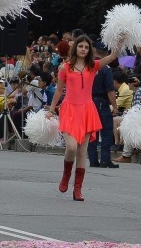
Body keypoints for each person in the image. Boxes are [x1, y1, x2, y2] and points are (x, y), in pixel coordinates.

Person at [50, 34, 121, 202]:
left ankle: (78, 189)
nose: (83, 49)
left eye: (86, 47)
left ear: (90, 50)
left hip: (87, 110)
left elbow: (112, 56)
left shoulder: (93, 66)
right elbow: (59, 90)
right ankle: (66, 175)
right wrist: (51, 110)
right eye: (81, 46)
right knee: (71, 147)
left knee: (82, 152)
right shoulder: (65, 67)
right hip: (69, 109)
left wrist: (121, 39)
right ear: (75, 48)